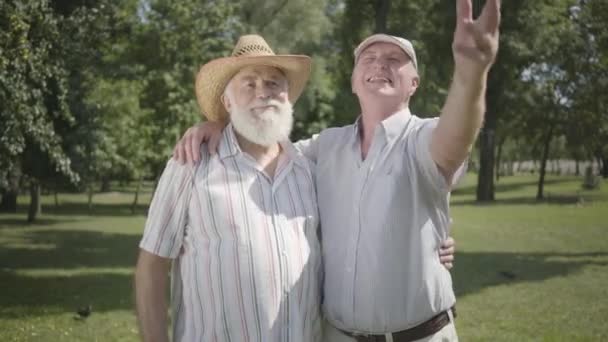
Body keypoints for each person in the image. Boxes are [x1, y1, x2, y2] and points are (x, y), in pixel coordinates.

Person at [174, 0, 500, 340]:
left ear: (413, 83)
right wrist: (218, 124)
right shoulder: (324, 147)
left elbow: (456, 138)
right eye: (369, 59)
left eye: (394, 60)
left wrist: (471, 73)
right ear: (354, 82)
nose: (380, 65)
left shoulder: (423, 137)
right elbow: (259, 150)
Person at [134, 35, 323, 342]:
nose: (263, 92)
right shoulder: (191, 163)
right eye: (249, 83)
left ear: (288, 96)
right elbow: (151, 268)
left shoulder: (309, 171)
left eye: (274, 83)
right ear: (227, 101)